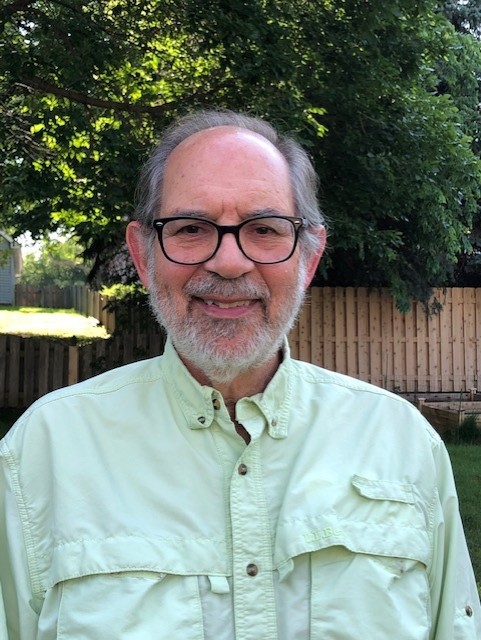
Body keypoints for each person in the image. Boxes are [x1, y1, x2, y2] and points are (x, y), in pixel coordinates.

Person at [0, 110, 479, 640]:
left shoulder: (402, 444)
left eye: (264, 229)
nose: (229, 263)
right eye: (191, 228)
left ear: (309, 258)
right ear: (142, 255)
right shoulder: (43, 454)